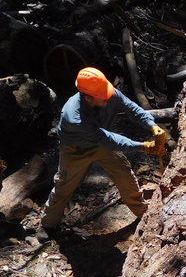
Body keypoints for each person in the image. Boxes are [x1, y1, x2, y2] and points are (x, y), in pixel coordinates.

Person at [39, 67, 166, 236]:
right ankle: (48, 224)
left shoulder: (107, 92)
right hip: (75, 150)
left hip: (101, 143)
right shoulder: (74, 116)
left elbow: (132, 109)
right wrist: (143, 146)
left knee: (124, 174)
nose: (108, 98)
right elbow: (108, 139)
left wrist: (153, 126)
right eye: (102, 97)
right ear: (87, 97)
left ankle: (143, 213)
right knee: (64, 185)